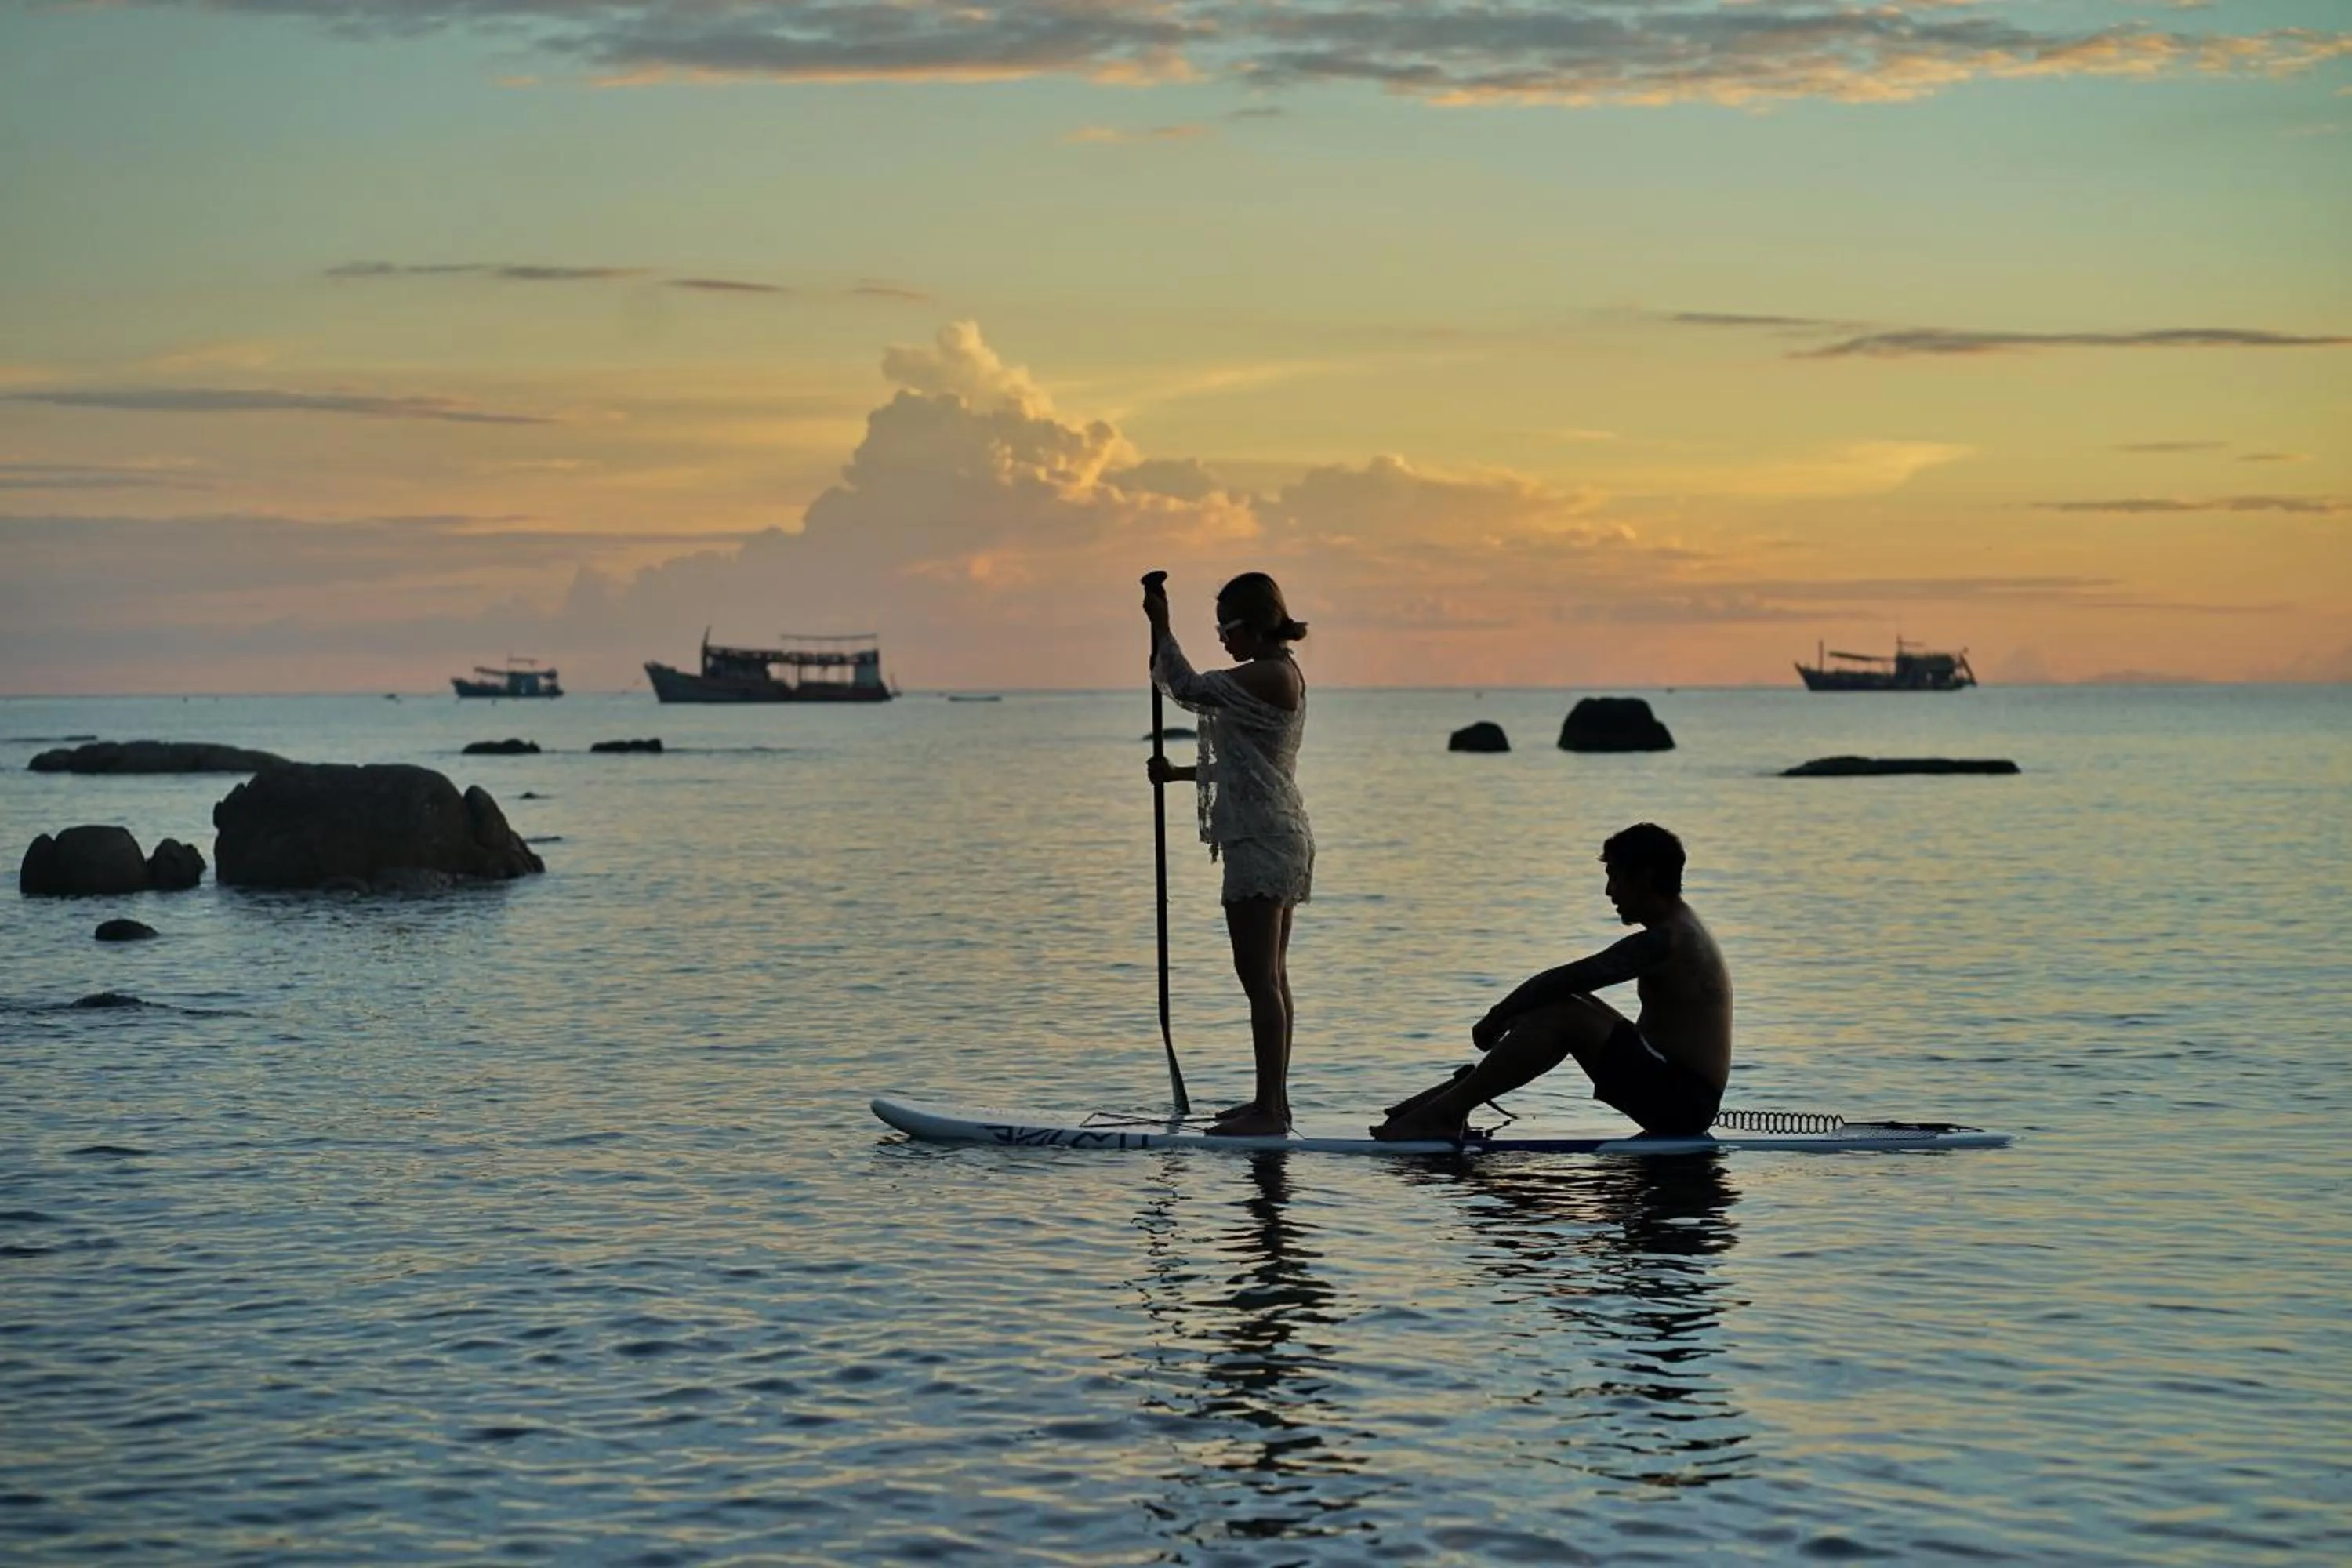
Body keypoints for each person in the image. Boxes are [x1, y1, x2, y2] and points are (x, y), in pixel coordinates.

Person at [1371, 823, 1730, 1141]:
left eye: (1615, 877)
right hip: (1676, 1092)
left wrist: (1496, 1016)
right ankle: (1452, 1101)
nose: (1609, 892)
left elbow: (1567, 977)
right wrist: (1519, 1010)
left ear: (1644, 878)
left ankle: (1445, 1112)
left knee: (1562, 1011)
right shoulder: (1680, 928)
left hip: (1682, 1105)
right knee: (1562, 1002)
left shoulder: (1669, 940)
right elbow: (1566, 988)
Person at [1144, 572, 1314, 1137]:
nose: (1222, 638)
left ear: (1258, 623)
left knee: (1260, 979)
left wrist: (1161, 626)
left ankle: (1271, 1110)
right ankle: (1272, 1101)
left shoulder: (1270, 674)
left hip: (1264, 840)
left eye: (1228, 627)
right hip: (1274, 832)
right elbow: (1248, 768)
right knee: (1270, 977)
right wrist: (1179, 773)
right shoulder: (1277, 674)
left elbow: (1186, 687)